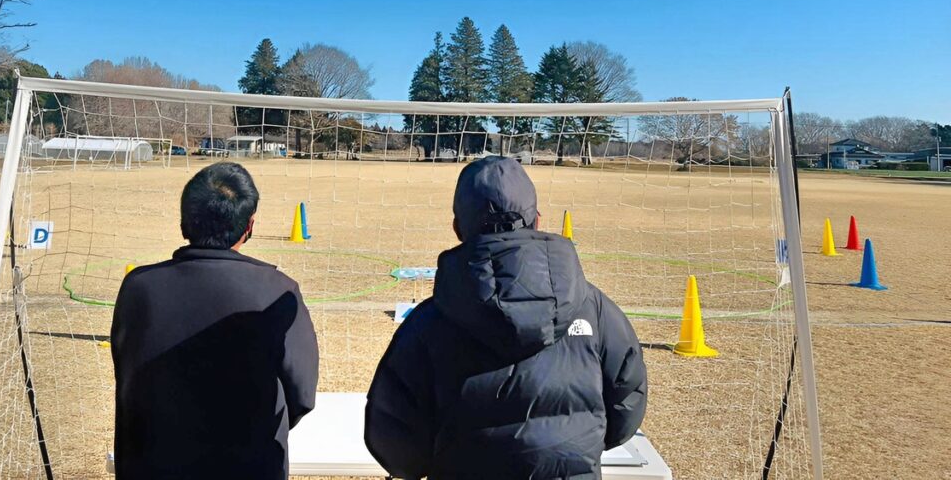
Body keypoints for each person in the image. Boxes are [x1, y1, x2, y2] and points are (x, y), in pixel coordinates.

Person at [365, 155, 647, 479]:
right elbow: (626, 402)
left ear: (458, 228)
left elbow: (394, 436)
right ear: (538, 220)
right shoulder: (595, 310)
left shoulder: (427, 323)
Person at [111, 162, 318, 480]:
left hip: (150, 464)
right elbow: (302, 396)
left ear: (183, 223)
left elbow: (128, 369)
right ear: (250, 226)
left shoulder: (138, 286)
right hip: (248, 466)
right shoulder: (277, 291)